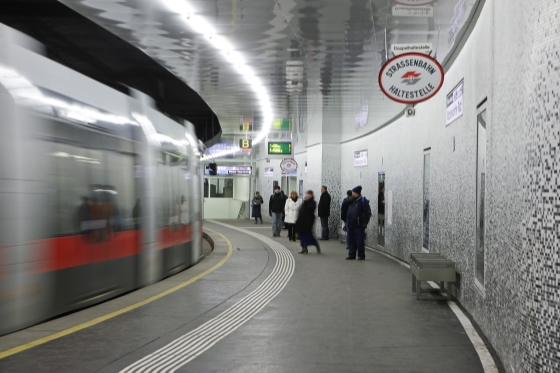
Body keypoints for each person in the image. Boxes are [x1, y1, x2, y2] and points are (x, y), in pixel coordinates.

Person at [346, 185, 372, 260]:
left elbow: (367, 213)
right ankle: (352, 254)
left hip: (359, 225)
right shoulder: (351, 201)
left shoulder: (363, 201)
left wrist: (365, 222)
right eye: (352, 192)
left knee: (359, 241)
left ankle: (361, 255)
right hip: (350, 224)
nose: (352, 193)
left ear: (357, 193)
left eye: (354, 192)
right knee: (351, 240)